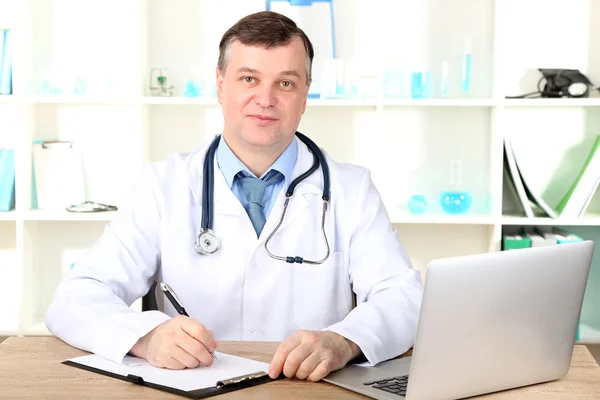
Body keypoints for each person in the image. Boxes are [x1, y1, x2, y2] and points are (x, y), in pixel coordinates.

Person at [45, 11, 423, 382]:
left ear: (305, 94)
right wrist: (145, 337)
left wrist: (343, 341)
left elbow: (405, 299)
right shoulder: (164, 186)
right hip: (194, 387)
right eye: (249, 79)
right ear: (221, 85)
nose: (266, 99)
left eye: (286, 83)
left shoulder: (350, 189)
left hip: (307, 392)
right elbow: (75, 299)